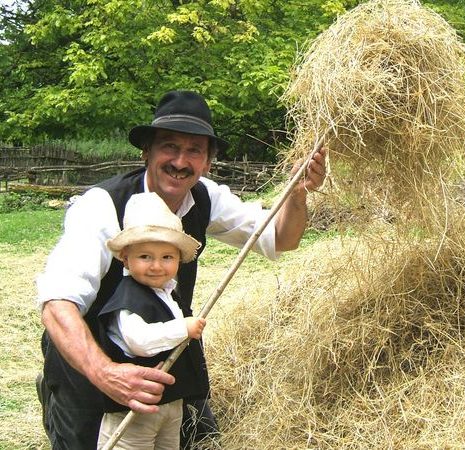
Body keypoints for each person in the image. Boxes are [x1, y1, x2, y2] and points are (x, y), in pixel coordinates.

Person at [36, 90, 327, 449]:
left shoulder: (206, 196)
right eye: (169, 146)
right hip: (89, 364)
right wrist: (106, 373)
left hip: (165, 359)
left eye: (194, 150)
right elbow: (57, 303)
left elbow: (282, 238)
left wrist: (297, 193)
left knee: (200, 441)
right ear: (147, 152)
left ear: (207, 162)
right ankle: (54, 394)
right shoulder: (101, 206)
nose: (180, 161)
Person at [96, 192, 206, 449]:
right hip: (135, 409)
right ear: (126, 258)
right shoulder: (127, 300)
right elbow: (139, 342)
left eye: (167, 257)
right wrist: (183, 328)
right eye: (145, 257)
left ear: (179, 259)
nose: (157, 266)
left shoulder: (168, 293)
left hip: (169, 402)